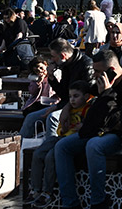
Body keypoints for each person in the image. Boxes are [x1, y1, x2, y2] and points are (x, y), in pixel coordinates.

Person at [54, 49, 122, 209]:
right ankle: (70, 203)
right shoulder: (101, 81)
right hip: (102, 130)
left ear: (111, 71)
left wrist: (107, 93)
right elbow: (84, 94)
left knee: (94, 145)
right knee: (62, 146)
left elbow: (120, 121)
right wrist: (66, 107)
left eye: (98, 71)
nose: (94, 75)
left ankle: (98, 202)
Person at [28, 80, 93, 208]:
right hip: (61, 137)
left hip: (71, 142)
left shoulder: (87, 109)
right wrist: (63, 129)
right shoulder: (68, 110)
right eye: (70, 97)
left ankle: (47, 192)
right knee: (37, 154)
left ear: (85, 97)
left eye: (76, 96)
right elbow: (60, 129)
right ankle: (35, 190)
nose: (72, 100)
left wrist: (83, 127)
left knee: (50, 157)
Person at [20, 38, 93, 139]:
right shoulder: (66, 64)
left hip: (80, 107)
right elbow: (63, 93)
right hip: (66, 103)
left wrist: (62, 107)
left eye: (53, 56)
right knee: (30, 118)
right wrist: (51, 77)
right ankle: (19, 150)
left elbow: (87, 95)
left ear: (63, 56)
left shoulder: (86, 65)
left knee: (52, 118)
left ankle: (51, 146)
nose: (52, 60)